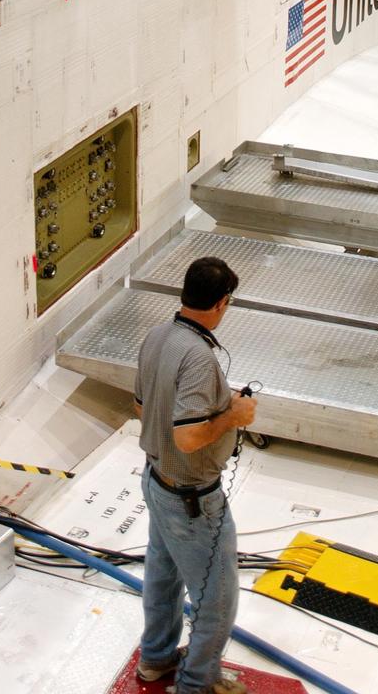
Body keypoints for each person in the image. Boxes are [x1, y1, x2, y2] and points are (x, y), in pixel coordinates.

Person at [133, 256, 258, 694]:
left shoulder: (156, 336)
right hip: (192, 501)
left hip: (155, 481)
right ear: (223, 303)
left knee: (163, 579)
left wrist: (212, 405)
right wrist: (233, 415)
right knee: (217, 600)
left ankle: (156, 660)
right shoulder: (200, 357)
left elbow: (141, 407)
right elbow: (188, 438)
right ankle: (195, 685)